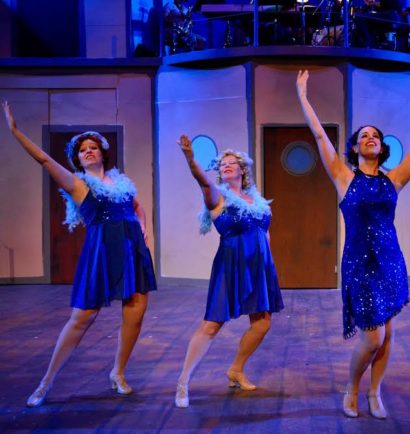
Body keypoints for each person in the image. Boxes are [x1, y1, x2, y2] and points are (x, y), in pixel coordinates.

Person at [296, 70, 410, 419]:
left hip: (390, 260)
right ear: (355, 146)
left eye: (375, 135)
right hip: (359, 264)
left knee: (388, 332)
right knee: (372, 338)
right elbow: (318, 135)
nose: (370, 138)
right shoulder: (344, 177)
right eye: (364, 135)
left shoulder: (394, 178)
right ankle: (353, 387)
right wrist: (303, 97)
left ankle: (375, 393)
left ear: (382, 145)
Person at [2, 101, 157, 407]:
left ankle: (118, 373)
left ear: (102, 152)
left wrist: (143, 229)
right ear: (77, 158)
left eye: (93, 147)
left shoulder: (121, 183)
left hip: (131, 250)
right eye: (83, 148)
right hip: (102, 251)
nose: (88, 150)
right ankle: (46, 380)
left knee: (136, 312)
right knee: (82, 318)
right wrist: (15, 131)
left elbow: (137, 207)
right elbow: (44, 160)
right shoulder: (77, 184)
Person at [174, 136, 284, 408]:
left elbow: (264, 231)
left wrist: (268, 264)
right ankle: (183, 382)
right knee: (212, 324)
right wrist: (190, 158)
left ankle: (236, 369)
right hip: (230, 265)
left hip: (259, 266)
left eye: (231, 163)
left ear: (243, 169)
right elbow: (202, 180)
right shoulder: (217, 196)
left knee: (262, 322)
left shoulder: (256, 200)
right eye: (222, 164)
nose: (225, 166)